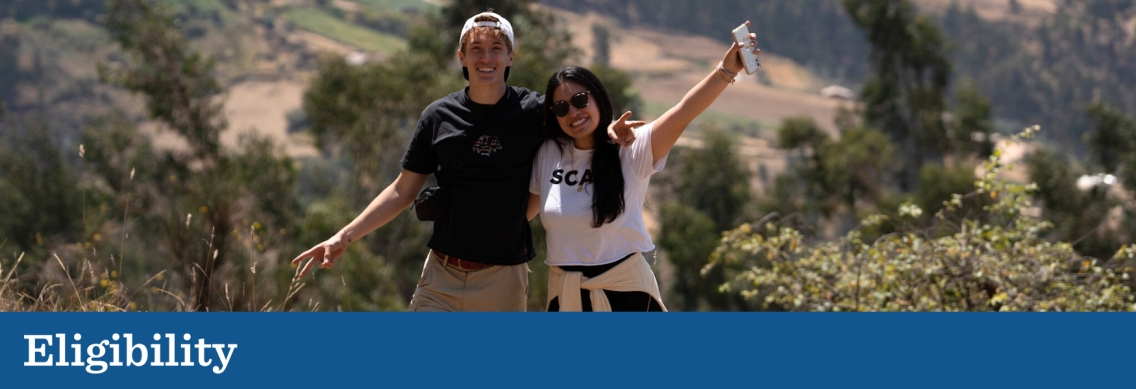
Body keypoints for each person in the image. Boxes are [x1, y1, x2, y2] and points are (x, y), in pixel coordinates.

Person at [291, 12, 636, 311]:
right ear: (461, 57)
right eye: (476, 49)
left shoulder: (534, 112)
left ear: (511, 56)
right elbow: (401, 191)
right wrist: (344, 237)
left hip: (503, 280)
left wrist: (608, 129)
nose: (486, 58)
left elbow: (574, 121)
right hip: (441, 275)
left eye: (496, 49)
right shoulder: (437, 116)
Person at [528, 22, 760, 311]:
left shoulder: (631, 148)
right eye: (561, 108)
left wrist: (725, 71)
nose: (573, 112)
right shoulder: (548, 153)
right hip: (565, 295)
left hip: (627, 294)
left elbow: (682, 113)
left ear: (597, 98)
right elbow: (520, 216)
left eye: (579, 100)